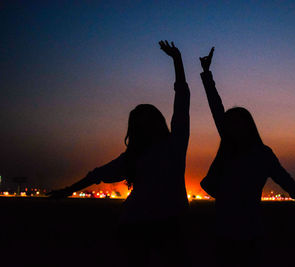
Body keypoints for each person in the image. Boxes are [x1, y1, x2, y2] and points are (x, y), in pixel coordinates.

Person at [47, 40, 190, 267]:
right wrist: (67, 190)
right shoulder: (134, 156)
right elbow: (97, 174)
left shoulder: (174, 143)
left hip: (166, 224)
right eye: (142, 123)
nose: (147, 127)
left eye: (148, 121)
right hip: (138, 225)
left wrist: (177, 60)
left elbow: (182, 99)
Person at [199, 47, 295, 267]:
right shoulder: (251, 152)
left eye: (234, 124)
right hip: (231, 230)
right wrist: (207, 75)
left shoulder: (259, 154)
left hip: (245, 231)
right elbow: (216, 108)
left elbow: (289, 184)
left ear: (246, 127)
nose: (230, 128)